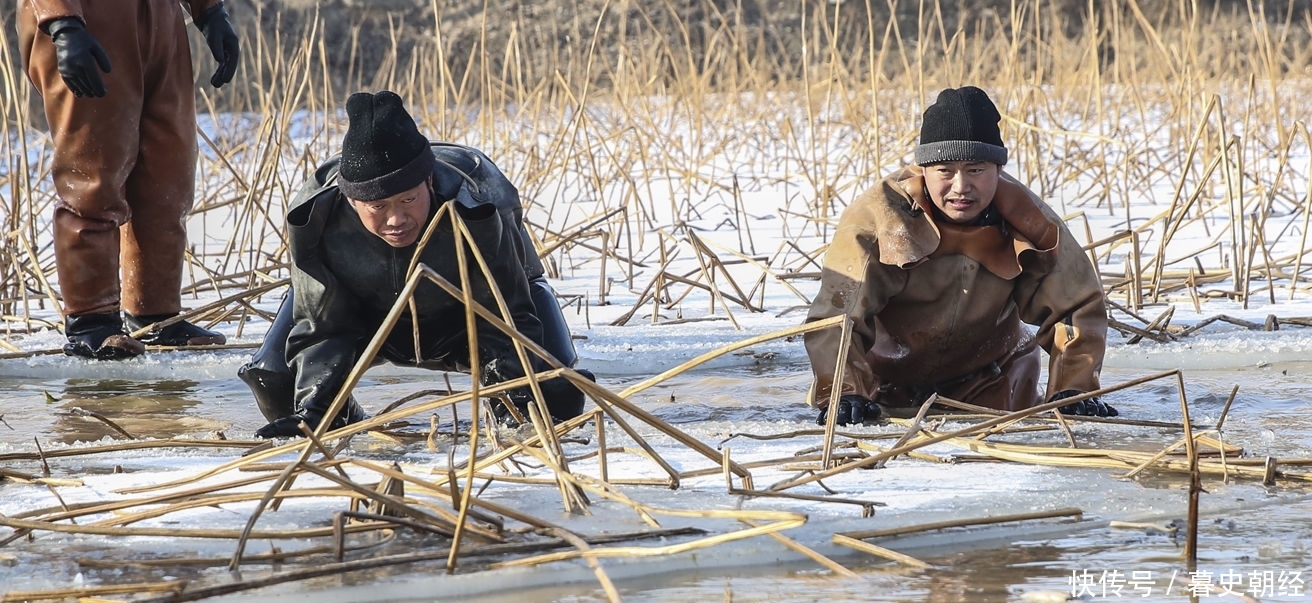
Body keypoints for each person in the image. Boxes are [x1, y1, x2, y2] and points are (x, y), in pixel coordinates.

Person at [239, 90, 591, 438]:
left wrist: (514, 409)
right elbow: (322, 325)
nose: (396, 219)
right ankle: (345, 423)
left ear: (430, 181)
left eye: (409, 199)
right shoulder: (318, 214)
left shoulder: (478, 205)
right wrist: (314, 411)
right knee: (275, 377)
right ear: (351, 200)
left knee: (551, 390)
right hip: (368, 318)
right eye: (378, 207)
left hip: (466, 317)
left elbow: (508, 320)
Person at [804, 86, 1116, 426]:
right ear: (923, 169)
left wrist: (1073, 390)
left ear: (998, 169)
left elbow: (1076, 308)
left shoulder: (1031, 221)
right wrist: (845, 389)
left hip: (994, 383)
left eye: (976, 169)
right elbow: (836, 317)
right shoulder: (878, 218)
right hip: (886, 388)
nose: (960, 186)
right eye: (945, 170)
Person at [17, 0, 240, 359]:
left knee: (166, 178)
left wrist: (210, 11)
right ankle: (90, 321)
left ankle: (154, 315)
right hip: (87, 20)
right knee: (92, 174)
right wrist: (61, 21)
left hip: (161, 22)